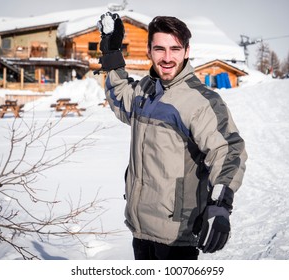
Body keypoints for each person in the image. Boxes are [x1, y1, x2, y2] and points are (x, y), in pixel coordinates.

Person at [97, 13, 247, 260]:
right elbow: (118, 96)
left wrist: (220, 205)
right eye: (159, 49)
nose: (167, 58)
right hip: (140, 229)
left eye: (175, 49)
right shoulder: (144, 92)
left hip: (177, 236)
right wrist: (112, 52)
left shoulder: (199, 102)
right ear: (149, 51)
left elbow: (229, 150)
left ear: (187, 51)